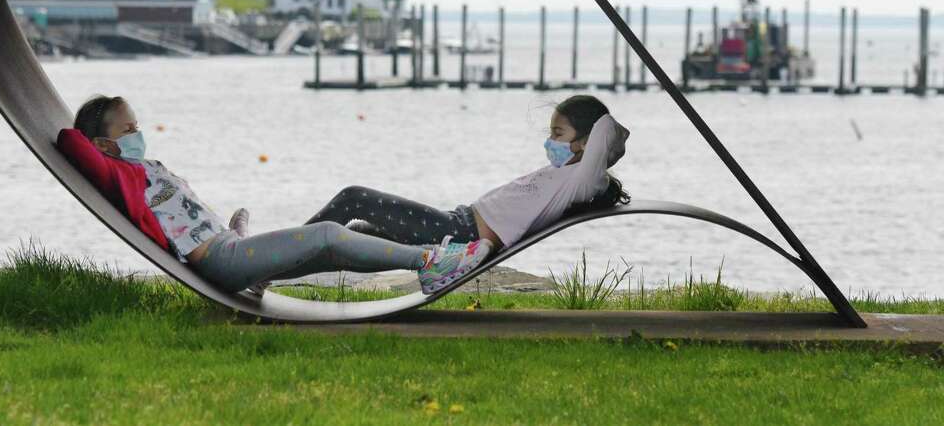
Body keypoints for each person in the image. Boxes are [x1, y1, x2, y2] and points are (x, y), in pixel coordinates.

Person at [66, 95, 492, 295]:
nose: (138, 134)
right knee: (327, 232)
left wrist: (238, 229)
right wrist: (85, 137)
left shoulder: (145, 168)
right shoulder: (119, 171)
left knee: (335, 251)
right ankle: (431, 262)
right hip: (222, 262)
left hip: (230, 249)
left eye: (138, 125)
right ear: (104, 145)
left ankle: (433, 257)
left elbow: (187, 221)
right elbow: (71, 142)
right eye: (128, 130)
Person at [304, 95, 630, 252]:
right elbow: (601, 134)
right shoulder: (566, 173)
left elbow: (610, 130)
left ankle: (266, 257)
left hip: (460, 235)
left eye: (558, 134)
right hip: (457, 221)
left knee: (354, 197)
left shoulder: (582, 181)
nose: (549, 141)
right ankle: (267, 269)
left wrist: (595, 130)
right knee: (356, 231)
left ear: (588, 142)